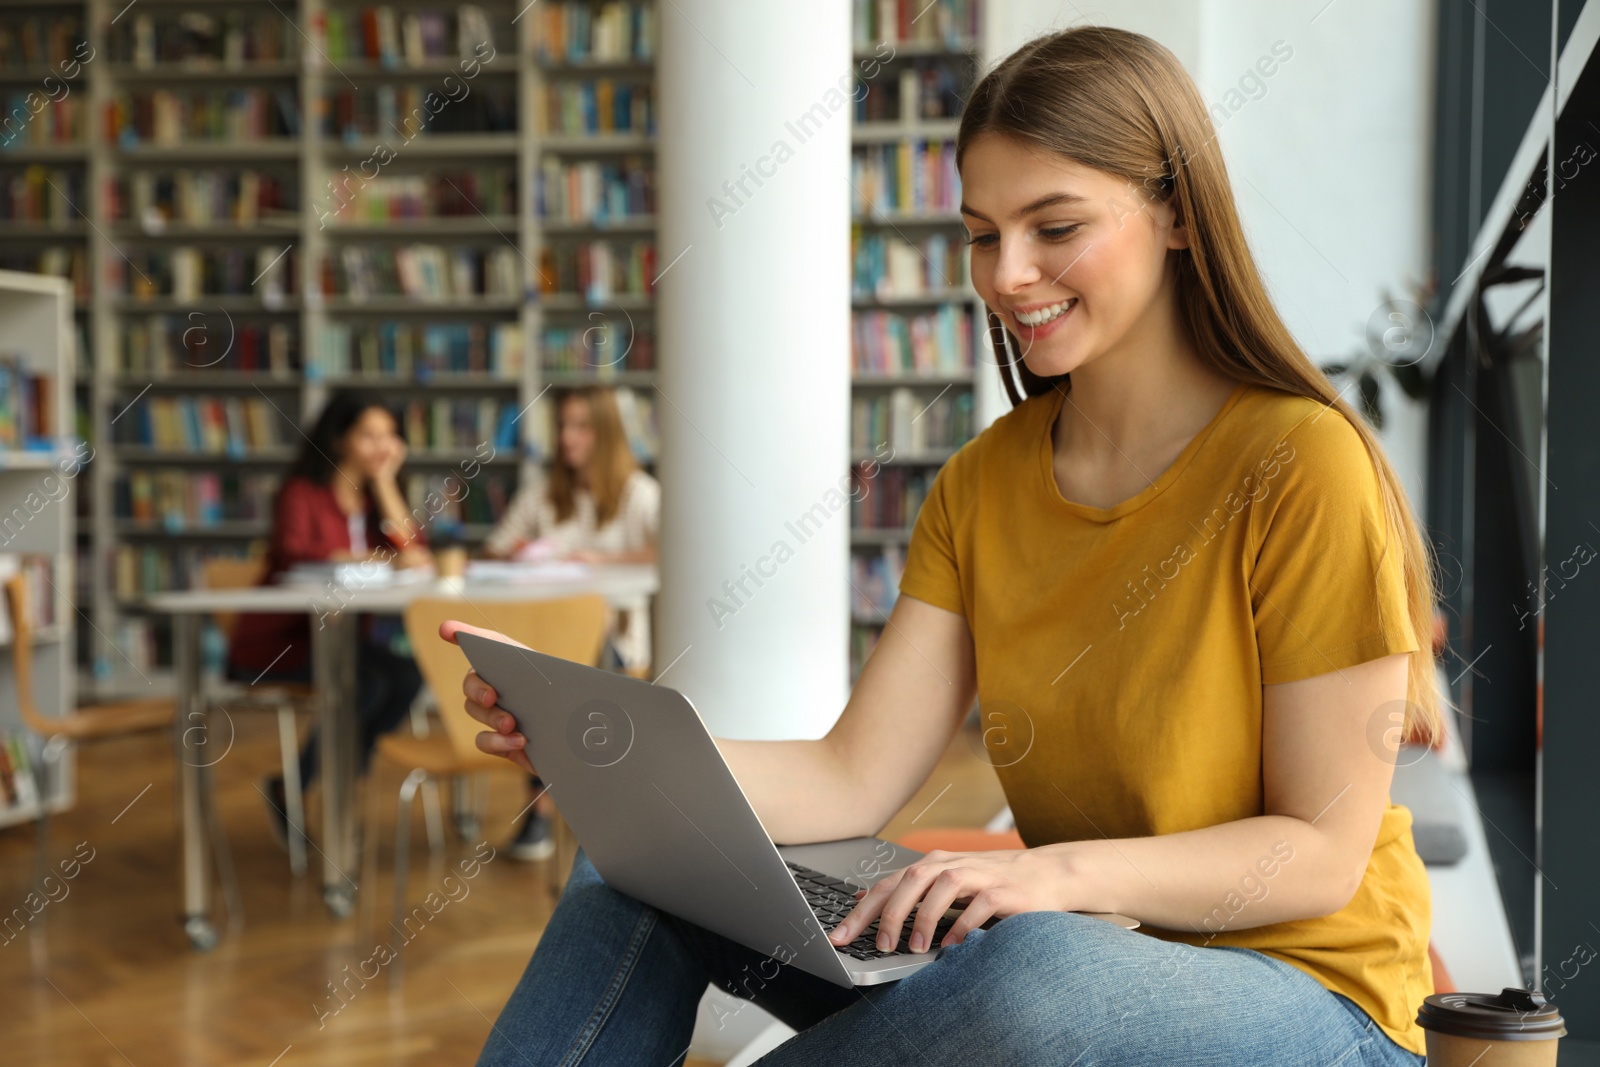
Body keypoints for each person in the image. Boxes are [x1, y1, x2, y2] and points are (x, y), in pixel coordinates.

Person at [446, 26, 1440, 1066]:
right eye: (980, 234)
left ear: (1178, 212)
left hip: (1314, 997)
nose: (1008, 276)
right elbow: (846, 776)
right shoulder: (982, 483)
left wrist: (1048, 879)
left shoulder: (1302, 462)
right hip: (1072, 953)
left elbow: (1320, 852)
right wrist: (607, 752)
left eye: (1053, 226)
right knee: (634, 864)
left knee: (1035, 975)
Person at [226, 389, 431, 846]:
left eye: (390, 436)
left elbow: (416, 558)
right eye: (368, 435)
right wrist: (375, 560)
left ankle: (329, 779)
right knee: (367, 682)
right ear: (339, 439)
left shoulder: (378, 503)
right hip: (283, 641)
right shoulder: (302, 493)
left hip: (342, 641)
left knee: (409, 675)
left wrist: (385, 483)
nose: (381, 446)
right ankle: (302, 786)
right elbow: (296, 553)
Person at [481, 385, 659, 862]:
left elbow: (671, 551)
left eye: (580, 426)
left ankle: (545, 812)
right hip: (547, 645)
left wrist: (599, 559)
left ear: (606, 433)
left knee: (561, 681)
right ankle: (576, 815)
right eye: (562, 426)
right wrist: (519, 556)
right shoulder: (544, 494)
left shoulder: (639, 494)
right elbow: (495, 550)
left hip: (616, 642)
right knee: (542, 678)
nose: (567, 438)